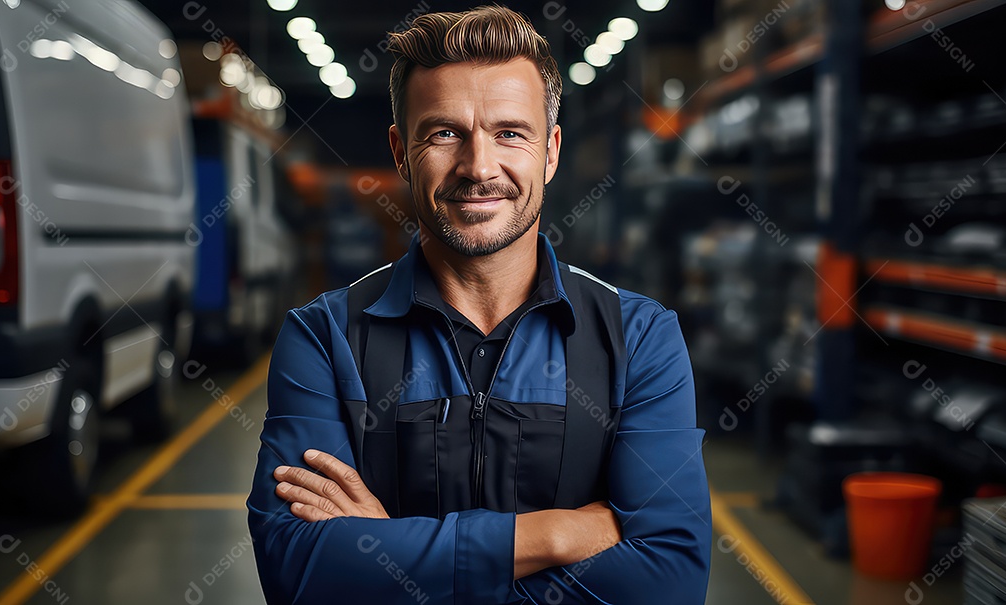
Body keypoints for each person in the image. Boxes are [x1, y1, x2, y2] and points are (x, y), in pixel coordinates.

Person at [247, 6, 710, 604]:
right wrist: (556, 533)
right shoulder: (325, 337)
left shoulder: (638, 336)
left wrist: (388, 554)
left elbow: (669, 583)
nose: (479, 167)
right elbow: (299, 575)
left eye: (510, 133)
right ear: (399, 150)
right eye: (444, 133)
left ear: (551, 151)